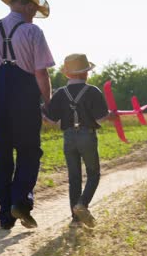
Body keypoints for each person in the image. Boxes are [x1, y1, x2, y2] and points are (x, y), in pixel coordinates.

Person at [0, 0, 55, 230]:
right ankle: (20, 200)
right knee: (29, 152)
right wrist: (48, 103)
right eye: (33, 10)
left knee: (3, 157)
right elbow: (41, 72)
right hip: (25, 97)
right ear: (26, 6)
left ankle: (5, 216)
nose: (33, 14)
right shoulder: (32, 31)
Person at [44, 53, 117, 227]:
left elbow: (51, 120)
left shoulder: (60, 93)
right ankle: (82, 205)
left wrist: (40, 111)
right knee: (93, 174)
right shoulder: (93, 91)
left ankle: (75, 220)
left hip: (68, 137)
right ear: (86, 73)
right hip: (87, 136)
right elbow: (100, 118)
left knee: (74, 178)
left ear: (67, 74)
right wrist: (111, 116)